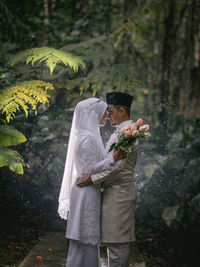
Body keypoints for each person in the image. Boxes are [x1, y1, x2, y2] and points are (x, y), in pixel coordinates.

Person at [58, 98, 126, 267]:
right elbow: (91, 170)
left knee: (85, 240)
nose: (106, 116)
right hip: (86, 193)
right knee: (85, 240)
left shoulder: (87, 135)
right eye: (104, 113)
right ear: (92, 115)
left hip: (88, 191)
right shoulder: (87, 138)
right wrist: (113, 158)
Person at [77, 92, 138, 267]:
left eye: (110, 111)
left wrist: (92, 179)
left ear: (121, 111)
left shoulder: (129, 132)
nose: (107, 116)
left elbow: (118, 168)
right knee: (111, 246)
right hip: (112, 193)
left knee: (118, 247)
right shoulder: (119, 131)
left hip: (120, 195)